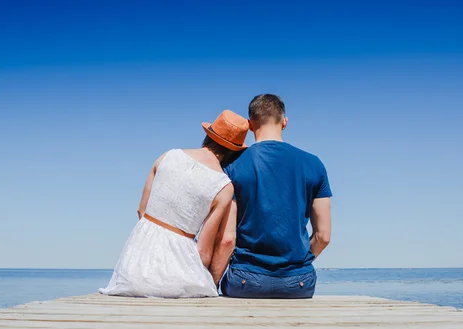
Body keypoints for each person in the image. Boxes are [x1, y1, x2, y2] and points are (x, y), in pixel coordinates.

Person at [99, 110, 249, 298]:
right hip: (179, 278)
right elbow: (203, 251)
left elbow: (141, 210)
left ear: (208, 135)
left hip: (133, 272)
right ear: (234, 152)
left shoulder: (168, 156)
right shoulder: (224, 186)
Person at [214, 94, 332, 298]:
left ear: (250, 124)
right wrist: (296, 268)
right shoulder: (314, 164)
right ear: (284, 122)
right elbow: (323, 236)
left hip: (245, 281)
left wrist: (210, 280)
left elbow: (227, 238)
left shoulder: (231, 166)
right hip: (299, 283)